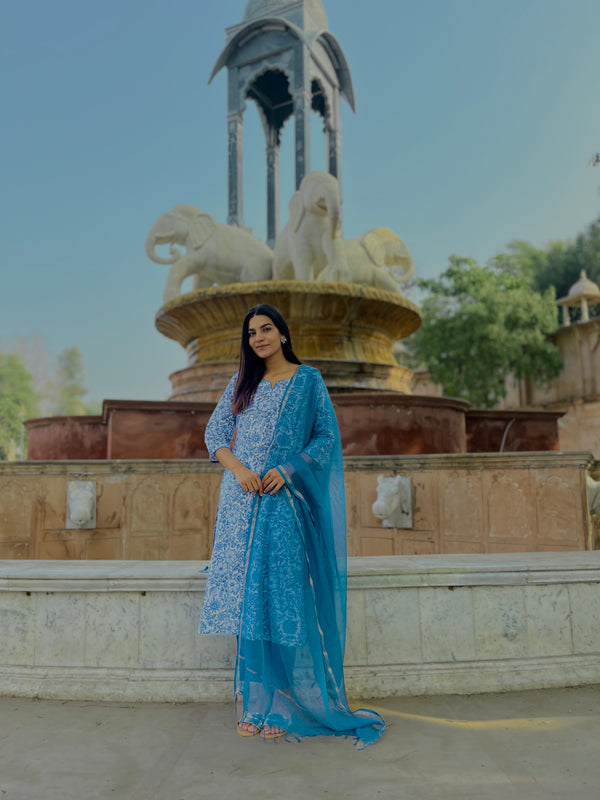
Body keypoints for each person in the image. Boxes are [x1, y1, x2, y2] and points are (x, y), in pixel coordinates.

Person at [199, 304, 385, 747]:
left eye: (266, 329)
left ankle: (283, 703)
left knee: (280, 598)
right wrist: (240, 470)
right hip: (241, 505)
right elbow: (214, 436)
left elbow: (324, 439)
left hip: (283, 503)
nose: (258, 337)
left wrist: (286, 469)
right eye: (251, 333)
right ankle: (255, 702)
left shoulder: (308, 381)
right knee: (249, 600)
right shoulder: (241, 383)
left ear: (283, 334)